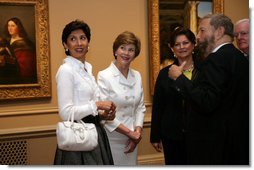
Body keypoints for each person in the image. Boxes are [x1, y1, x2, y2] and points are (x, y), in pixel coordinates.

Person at [168, 14, 249, 165]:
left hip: (216, 147)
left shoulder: (217, 59)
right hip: (238, 145)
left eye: (202, 30)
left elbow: (206, 101)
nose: (198, 36)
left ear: (219, 31)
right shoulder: (241, 58)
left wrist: (179, 78)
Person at [54, 19, 116, 165]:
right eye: (73, 39)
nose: (79, 43)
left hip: (95, 133)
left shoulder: (87, 69)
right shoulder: (66, 70)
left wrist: (103, 115)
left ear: (88, 42)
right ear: (65, 45)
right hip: (78, 138)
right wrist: (97, 105)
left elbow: (87, 107)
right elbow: (65, 112)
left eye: (82, 38)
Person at [150, 27, 199, 165]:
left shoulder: (204, 71)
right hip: (172, 135)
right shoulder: (165, 73)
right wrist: (155, 136)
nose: (182, 47)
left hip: (199, 134)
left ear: (193, 44)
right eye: (177, 44)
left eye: (186, 43)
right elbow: (158, 105)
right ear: (172, 48)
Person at [97, 31, 146, 165]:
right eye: (122, 48)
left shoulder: (137, 75)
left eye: (131, 50)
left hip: (133, 139)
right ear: (115, 51)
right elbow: (104, 114)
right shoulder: (104, 76)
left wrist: (137, 132)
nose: (126, 53)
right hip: (113, 138)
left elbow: (140, 107)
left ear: (135, 54)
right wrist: (130, 133)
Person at [4, 17, 37, 83]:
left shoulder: (25, 43)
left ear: (18, 27)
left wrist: (5, 59)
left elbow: (25, 65)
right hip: (8, 72)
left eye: (13, 26)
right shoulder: (7, 41)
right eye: (8, 25)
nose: (10, 28)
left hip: (21, 76)